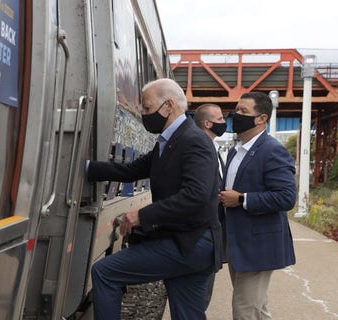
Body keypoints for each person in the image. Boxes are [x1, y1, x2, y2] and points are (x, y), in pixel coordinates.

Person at [87, 78, 223, 320]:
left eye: (148, 108)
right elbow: (130, 171)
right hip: (191, 243)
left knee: (105, 272)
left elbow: (196, 195)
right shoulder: (171, 141)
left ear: (168, 106)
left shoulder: (193, 141)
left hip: (190, 243)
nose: (144, 114)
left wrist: (142, 215)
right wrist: (86, 168)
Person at [219, 92, 296, 320]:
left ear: (261, 118)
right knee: (257, 311)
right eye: (236, 109)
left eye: (243, 111)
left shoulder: (272, 150)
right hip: (239, 244)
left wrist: (242, 199)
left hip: (258, 247)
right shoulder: (235, 151)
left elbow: (286, 197)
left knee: (244, 312)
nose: (236, 115)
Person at [194, 103, 228, 310]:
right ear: (207, 123)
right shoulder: (200, 148)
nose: (225, 122)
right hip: (200, 234)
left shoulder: (213, 149)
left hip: (212, 234)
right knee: (197, 297)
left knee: (202, 295)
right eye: (221, 119)